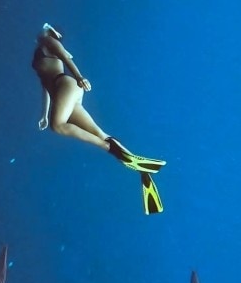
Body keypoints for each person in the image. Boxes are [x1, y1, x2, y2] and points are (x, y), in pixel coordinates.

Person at [32, 23, 166, 214]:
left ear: (53, 32)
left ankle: (110, 148)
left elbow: (64, 57)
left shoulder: (48, 40)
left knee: (58, 125)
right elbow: (44, 84)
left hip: (66, 85)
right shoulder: (40, 50)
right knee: (99, 133)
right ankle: (141, 169)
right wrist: (44, 114)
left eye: (48, 28)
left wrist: (79, 77)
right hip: (62, 92)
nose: (43, 29)